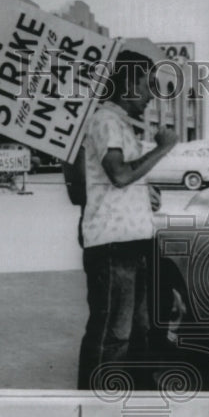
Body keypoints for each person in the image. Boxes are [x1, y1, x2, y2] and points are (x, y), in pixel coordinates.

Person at [76, 50, 178, 390]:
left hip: (130, 241)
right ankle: (96, 400)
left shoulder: (119, 124)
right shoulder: (105, 120)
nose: (151, 94)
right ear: (128, 83)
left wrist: (144, 193)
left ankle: (131, 394)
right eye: (147, 84)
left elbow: (122, 181)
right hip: (112, 244)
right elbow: (119, 174)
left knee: (138, 329)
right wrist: (163, 149)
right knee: (112, 335)